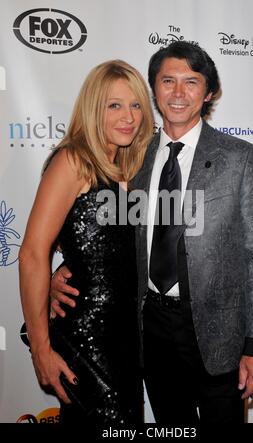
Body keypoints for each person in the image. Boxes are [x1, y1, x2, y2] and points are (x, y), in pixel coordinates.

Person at [50, 41, 253, 424]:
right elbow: (101, 229)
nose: (178, 93)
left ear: (209, 92)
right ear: (154, 89)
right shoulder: (132, 156)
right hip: (151, 330)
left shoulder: (241, 158)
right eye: (167, 81)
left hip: (219, 335)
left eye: (191, 82)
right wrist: (60, 273)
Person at [18, 59, 154, 424]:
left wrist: (64, 269)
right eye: (115, 105)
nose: (129, 116)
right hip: (89, 338)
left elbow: (107, 249)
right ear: (94, 109)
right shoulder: (74, 160)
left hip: (126, 339)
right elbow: (32, 253)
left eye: (136, 104)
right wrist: (41, 351)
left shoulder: (129, 166)